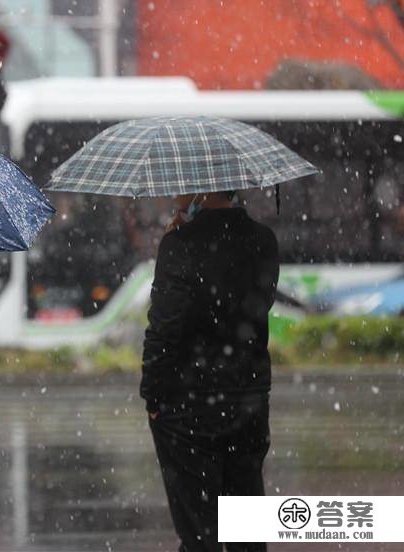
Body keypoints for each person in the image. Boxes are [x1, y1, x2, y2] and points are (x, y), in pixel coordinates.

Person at [140, 191, 279, 552]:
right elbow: (254, 308)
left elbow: (165, 327)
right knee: (247, 530)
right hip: (248, 400)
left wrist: (152, 395)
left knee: (200, 534)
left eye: (181, 186)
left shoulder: (181, 244)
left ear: (201, 190)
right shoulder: (264, 240)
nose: (174, 194)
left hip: (189, 407)